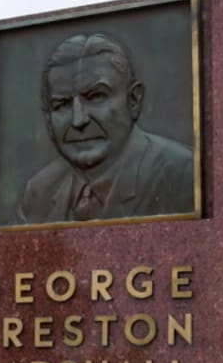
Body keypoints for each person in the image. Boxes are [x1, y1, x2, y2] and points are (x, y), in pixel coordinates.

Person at [14, 32, 195, 225]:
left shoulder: (184, 175)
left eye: (95, 97)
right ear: (48, 119)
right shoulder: (38, 193)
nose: (78, 120)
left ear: (133, 100)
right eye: (61, 105)